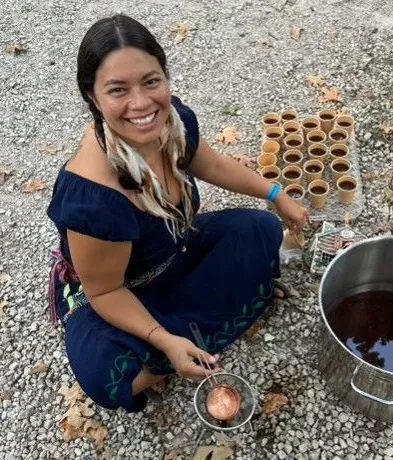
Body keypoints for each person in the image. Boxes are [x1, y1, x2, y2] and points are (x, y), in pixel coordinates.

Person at [46, 14, 308, 413]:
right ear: (92, 98)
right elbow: (105, 291)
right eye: (118, 90)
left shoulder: (172, 124)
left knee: (259, 228)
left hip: (174, 247)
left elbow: (214, 166)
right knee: (106, 372)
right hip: (121, 291)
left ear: (165, 76)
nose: (141, 104)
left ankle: (181, 333)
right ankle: (164, 362)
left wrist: (276, 193)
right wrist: (163, 339)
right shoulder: (93, 198)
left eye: (151, 82)